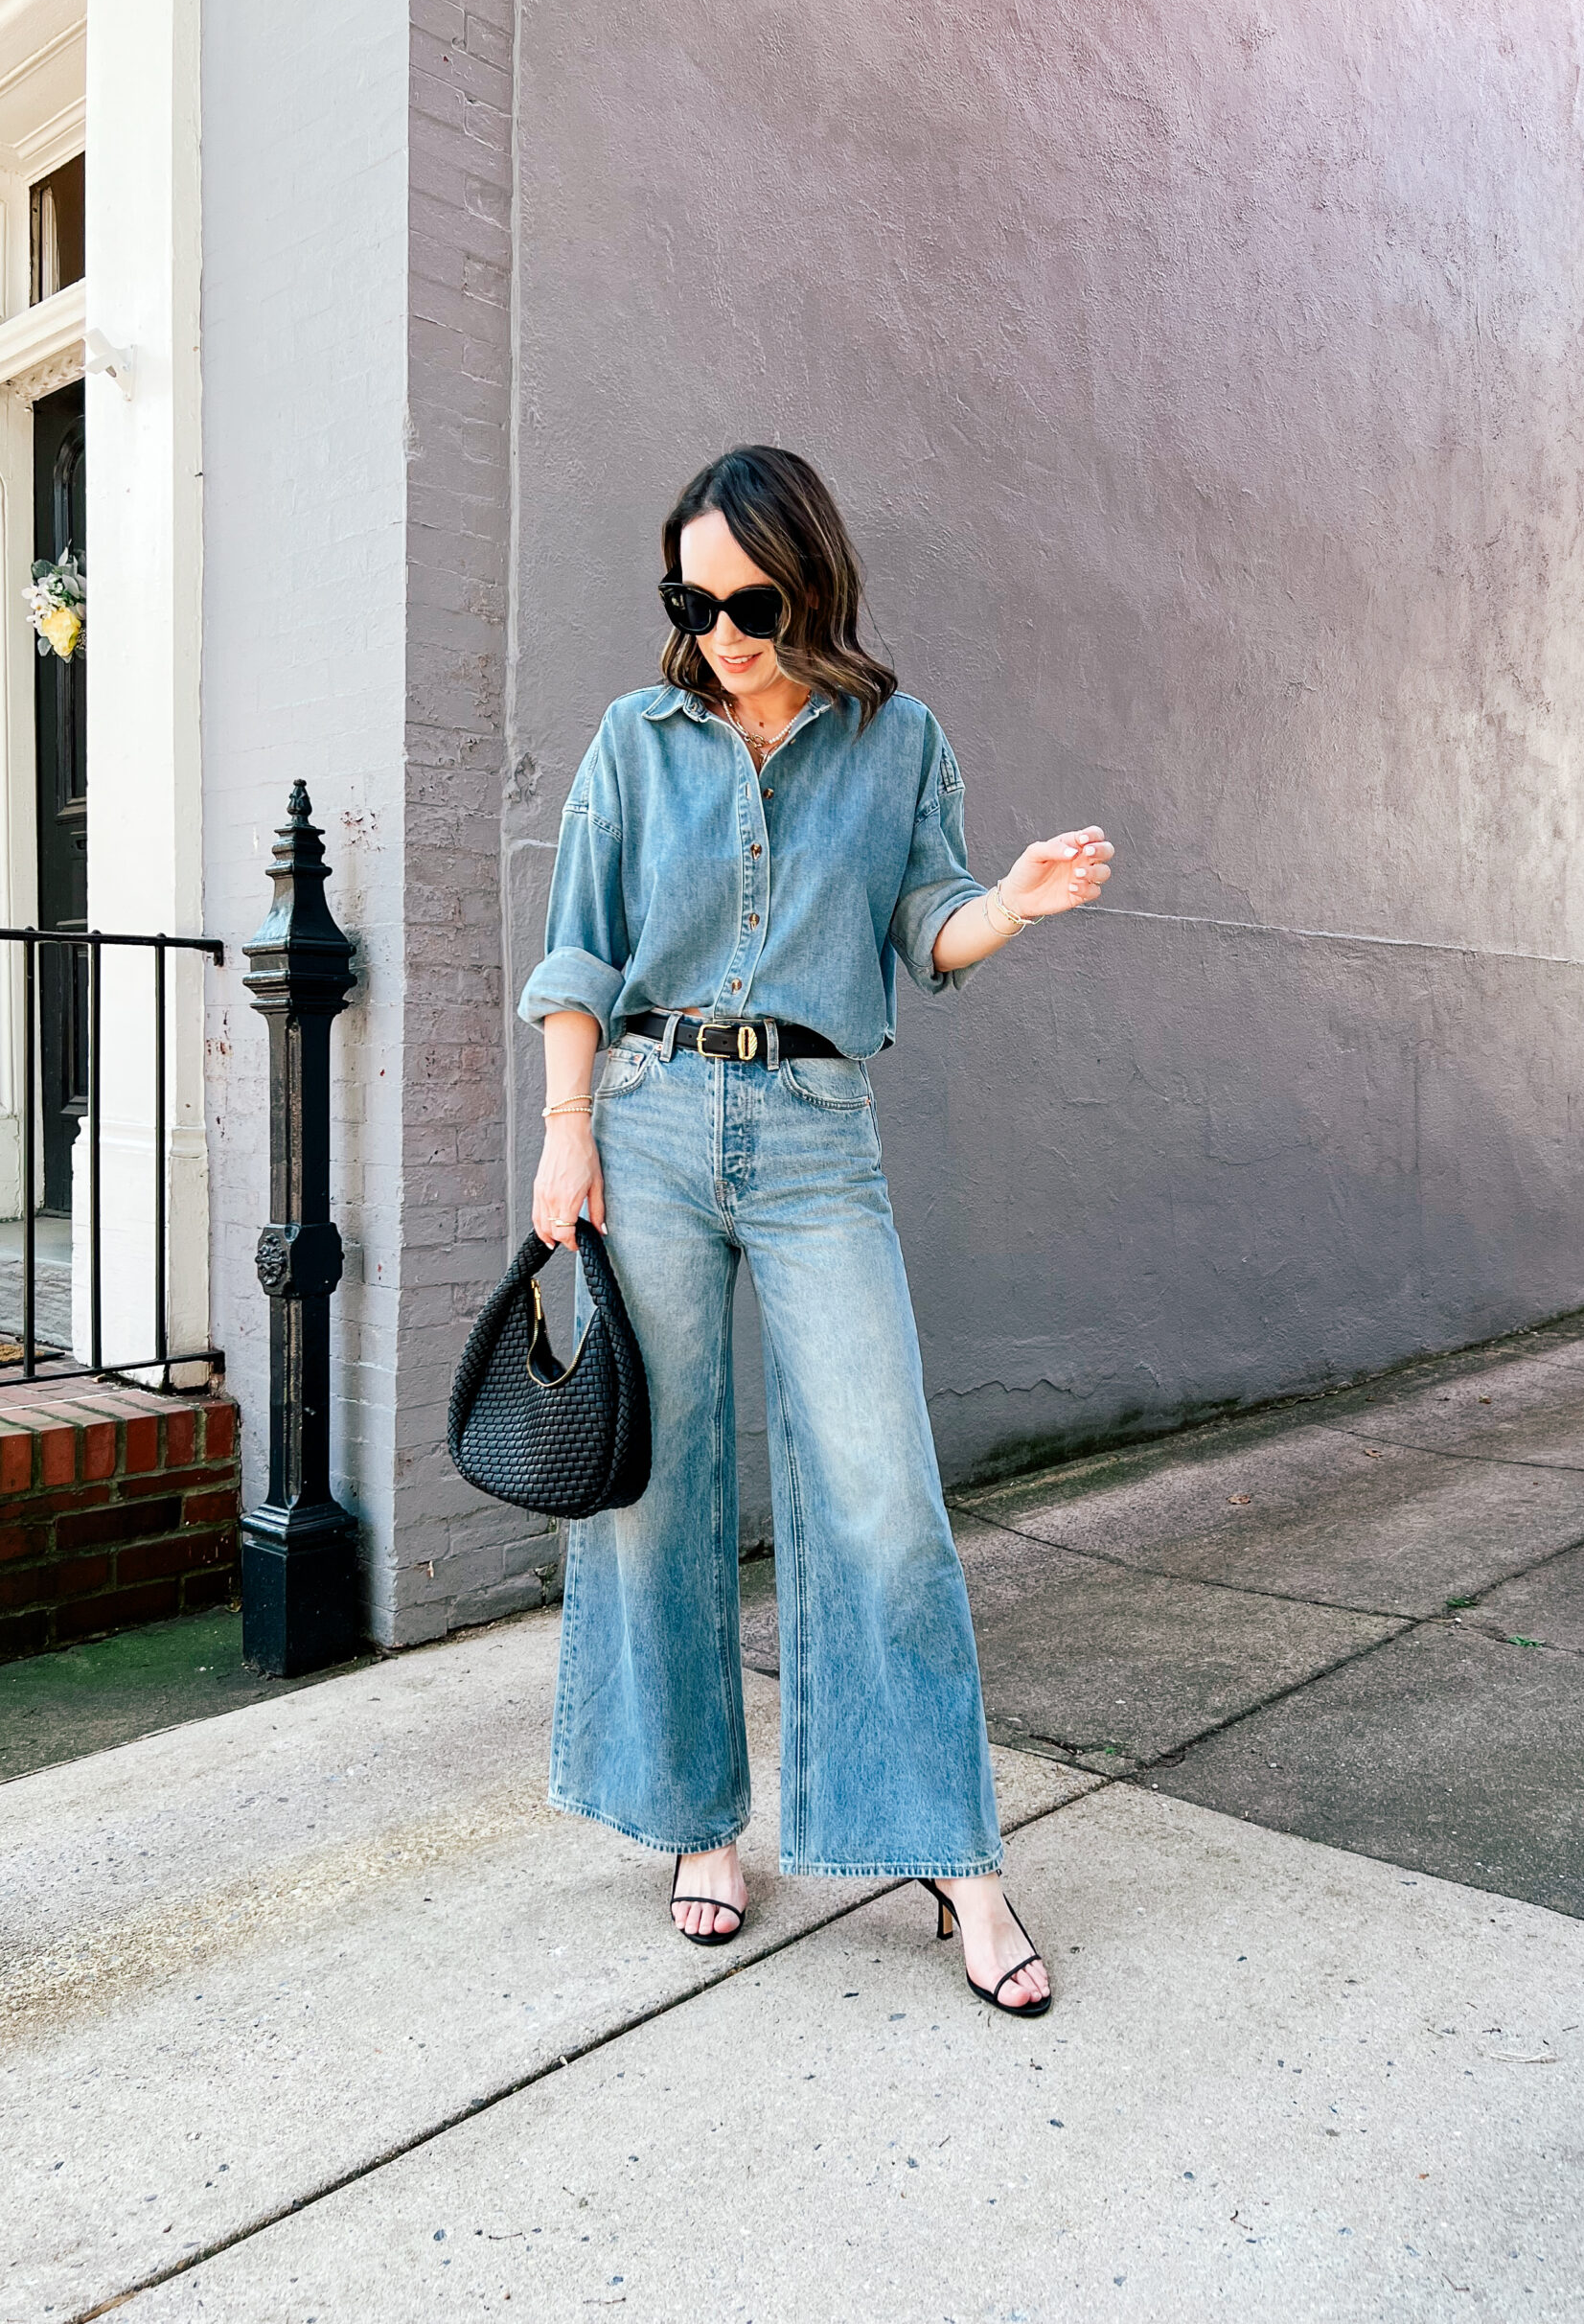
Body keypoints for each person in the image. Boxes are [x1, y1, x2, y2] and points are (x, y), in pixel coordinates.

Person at [520, 445, 1113, 2015]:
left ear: (812, 582)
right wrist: (564, 1134)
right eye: (692, 600)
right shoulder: (634, 742)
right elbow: (579, 950)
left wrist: (1020, 905)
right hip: (644, 1121)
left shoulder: (892, 738)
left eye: (753, 600)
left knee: (882, 1493)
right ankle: (696, 1822)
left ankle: (951, 1856)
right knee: (661, 1486)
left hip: (811, 1132)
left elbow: (932, 926)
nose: (720, 628)